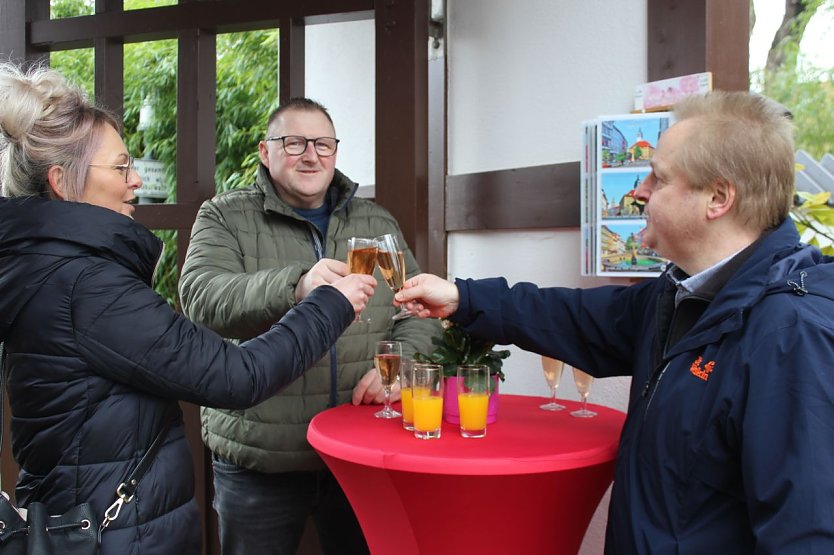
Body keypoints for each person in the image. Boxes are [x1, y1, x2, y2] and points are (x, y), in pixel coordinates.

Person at [395, 91, 834, 554]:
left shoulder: (792, 334)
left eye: (658, 178)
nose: (638, 190)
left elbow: (806, 536)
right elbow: (574, 318)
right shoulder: (681, 294)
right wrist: (463, 298)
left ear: (718, 198)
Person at [0, 62, 375, 555]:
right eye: (120, 167)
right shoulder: (87, 285)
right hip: (114, 533)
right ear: (63, 182)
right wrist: (327, 301)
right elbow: (236, 373)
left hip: (106, 518)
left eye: (323, 144)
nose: (136, 179)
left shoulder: (54, 268)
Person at [178, 97, 439, 554]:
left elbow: (413, 308)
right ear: (265, 151)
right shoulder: (223, 215)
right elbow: (202, 298)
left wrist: (396, 366)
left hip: (357, 451)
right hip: (261, 454)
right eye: (294, 142)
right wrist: (295, 286)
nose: (311, 154)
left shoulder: (375, 221)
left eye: (322, 143)